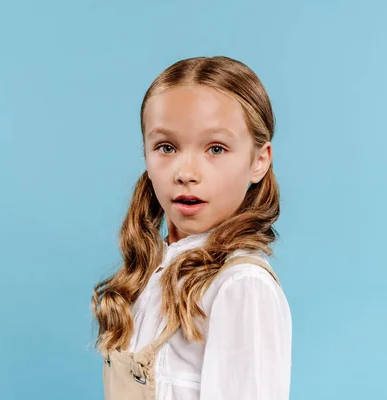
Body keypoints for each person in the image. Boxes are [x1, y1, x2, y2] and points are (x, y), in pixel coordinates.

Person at [91, 56, 292, 400]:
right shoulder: (148, 274)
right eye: (166, 147)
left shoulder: (239, 286)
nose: (186, 172)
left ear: (258, 160)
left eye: (216, 148)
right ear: (146, 154)